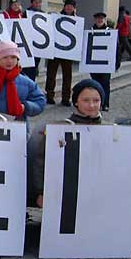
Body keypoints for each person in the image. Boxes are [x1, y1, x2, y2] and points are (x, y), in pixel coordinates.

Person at [27, 79, 107, 207]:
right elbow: (41, 162)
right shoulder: (59, 129)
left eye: (96, 100)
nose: (91, 105)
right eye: (86, 100)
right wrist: (41, 191)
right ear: (76, 102)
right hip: (64, 191)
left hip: (97, 193)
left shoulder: (110, 130)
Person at [0, 41, 46, 121]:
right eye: (5, 57)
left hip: (18, 127)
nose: (10, 61)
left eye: (13, 57)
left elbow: (40, 101)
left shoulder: (25, 82)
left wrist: (25, 107)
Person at [45, 0, 76, 106]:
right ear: (64, 6)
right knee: (51, 74)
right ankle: (49, 95)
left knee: (67, 76)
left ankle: (66, 98)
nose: (68, 7)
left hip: (68, 52)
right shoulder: (56, 17)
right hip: (55, 50)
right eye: (67, 5)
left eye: (71, 6)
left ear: (74, 8)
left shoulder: (77, 20)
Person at [89, 12, 112, 111]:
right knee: (95, 84)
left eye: (101, 18)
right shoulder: (90, 31)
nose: (100, 20)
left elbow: (116, 48)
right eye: (98, 18)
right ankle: (96, 103)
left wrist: (116, 63)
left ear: (104, 20)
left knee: (105, 83)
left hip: (106, 64)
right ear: (95, 20)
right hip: (93, 63)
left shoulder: (110, 31)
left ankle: (105, 103)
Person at [22, 0, 44, 81]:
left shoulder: (43, 14)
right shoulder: (25, 13)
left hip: (37, 44)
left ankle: (32, 82)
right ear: (32, 3)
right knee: (27, 66)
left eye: (39, 2)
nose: (37, 4)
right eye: (36, 2)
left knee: (35, 65)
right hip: (27, 43)